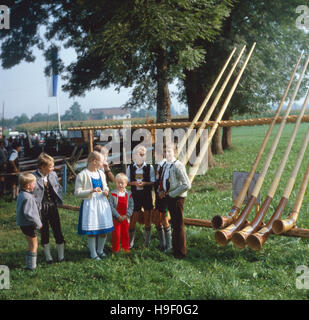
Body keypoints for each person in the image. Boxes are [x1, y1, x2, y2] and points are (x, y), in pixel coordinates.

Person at [75, 151, 114, 260]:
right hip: (90, 204)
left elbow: (105, 186)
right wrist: (91, 190)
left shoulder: (101, 173)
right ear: (94, 161)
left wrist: (106, 191)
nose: (103, 163)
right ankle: (93, 253)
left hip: (102, 203)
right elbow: (77, 192)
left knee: (104, 228)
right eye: (102, 161)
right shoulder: (82, 175)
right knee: (92, 230)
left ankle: (100, 250)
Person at [159, 143, 191, 259]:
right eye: (165, 151)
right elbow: (163, 180)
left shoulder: (178, 165)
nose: (166, 154)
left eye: (169, 151)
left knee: (179, 224)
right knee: (174, 224)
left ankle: (181, 252)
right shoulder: (166, 165)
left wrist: (172, 194)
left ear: (175, 152)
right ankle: (175, 249)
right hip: (169, 197)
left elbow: (187, 185)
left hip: (177, 198)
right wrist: (161, 191)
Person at [33, 153, 65, 263]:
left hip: (52, 207)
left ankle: (61, 256)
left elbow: (58, 187)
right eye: (50, 166)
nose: (52, 168)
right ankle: (48, 257)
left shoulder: (53, 175)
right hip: (40, 209)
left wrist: (59, 199)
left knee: (57, 230)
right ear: (42, 166)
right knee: (44, 232)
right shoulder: (33, 177)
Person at [126, 145, 155, 248]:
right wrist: (134, 183)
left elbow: (152, 181)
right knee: (133, 218)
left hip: (146, 194)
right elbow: (126, 182)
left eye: (143, 155)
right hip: (135, 195)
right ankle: (130, 242)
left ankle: (147, 242)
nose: (141, 157)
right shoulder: (130, 167)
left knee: (148, 217)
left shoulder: (149, 167)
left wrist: (144, 184)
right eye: (139, 154)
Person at [16, 173, 42, 270]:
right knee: (34, 244)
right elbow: (29, 214)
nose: (35, 185)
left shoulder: (21, 194)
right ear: (28, 185)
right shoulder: (28, 198)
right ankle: (32, 267)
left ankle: (29, 265)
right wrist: (38, 224)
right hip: (28, 224)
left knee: (30, 244)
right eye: (34, 183)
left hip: (23, 224)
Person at [109, 173, 134, 253]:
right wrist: (117, 215)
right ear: (115, 183)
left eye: (122, 183)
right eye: (118, 182)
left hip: (125, 218)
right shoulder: (113, 194)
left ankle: (125, 248)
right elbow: (111, 206)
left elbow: (131, 206)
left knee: (125, 234)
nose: (120, 184)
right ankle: (115, 249)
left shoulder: (129, 194)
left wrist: (127, 215)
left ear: (126, 184)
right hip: (116, 218)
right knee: (116, 234)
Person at [153, 150, 172, 252]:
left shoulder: (167, 165)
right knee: (157, 219)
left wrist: (163, 192)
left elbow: (168, 181)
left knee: (164, 219)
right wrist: (157, 191)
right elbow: (157, 181)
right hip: (158, 195)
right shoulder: (158, 165)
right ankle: (162, 244)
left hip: (165, 196)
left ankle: (169, 246)